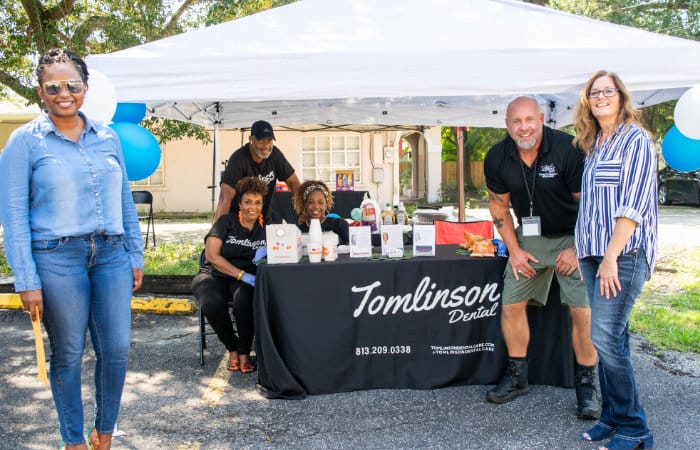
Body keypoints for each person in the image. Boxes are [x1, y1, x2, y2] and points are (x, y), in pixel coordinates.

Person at [0, 48, 143, 450]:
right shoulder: (23, 142)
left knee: (115, 350)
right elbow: (13, 215)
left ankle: (105, 433)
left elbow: (124, 200)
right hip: (56, 258)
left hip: (112, 254)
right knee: (67, 352)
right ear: (41, 92)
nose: (64, 93)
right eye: (53, 86)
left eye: (73, 85)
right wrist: (26, 280)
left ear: (85, 87)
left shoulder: (108, 135)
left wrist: (135, 253)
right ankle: (73, 440)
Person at [483, 96, 601, 419]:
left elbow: (591, 204)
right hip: (530, 239)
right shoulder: (496, 157)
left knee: (583, 312)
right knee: (510, 304)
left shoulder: (568, 149)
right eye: (516, 121)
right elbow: (499, 208)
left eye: (529, 120)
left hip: (573, 235)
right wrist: (515, 250)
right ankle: (518, 375)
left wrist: (579, 248)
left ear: (541, 119)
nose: (524, 127)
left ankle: (587, 385)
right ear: (507, 125)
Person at [573, 71, 657, 450]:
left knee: (604, 337)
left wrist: (610, 257)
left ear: (621, 97)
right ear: (588, 100)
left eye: (608, 91)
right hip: (593, 254)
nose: (601, 97)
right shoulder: (596, 143)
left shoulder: (636, 140)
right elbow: (591, 205)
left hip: (623, 254)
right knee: (611, 338)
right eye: (595, 92)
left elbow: (632, 205)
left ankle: (636, 429)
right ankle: (612, 418)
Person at [192, 177, 268, 374]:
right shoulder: (226, 222)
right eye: (248, 202)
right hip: (214, 274)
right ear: (240, 204)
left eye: (257, 202)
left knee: (244, 301)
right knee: (211, 301)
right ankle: (232, 348)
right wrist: (241, 274)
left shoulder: (266, 228)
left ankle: (244, 352)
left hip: (245, 279)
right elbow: (211, 255)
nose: (253, 207)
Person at [214, 120, 301, 222]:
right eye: (261, 140)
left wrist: (302, 210)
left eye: (269, 140)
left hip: (264, 217)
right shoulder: (238, 159)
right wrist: (219, 231)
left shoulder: (275, 155)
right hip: (239, 218)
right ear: (251, 139)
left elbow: (294, 182)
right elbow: (225, 197)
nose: (266, 145)